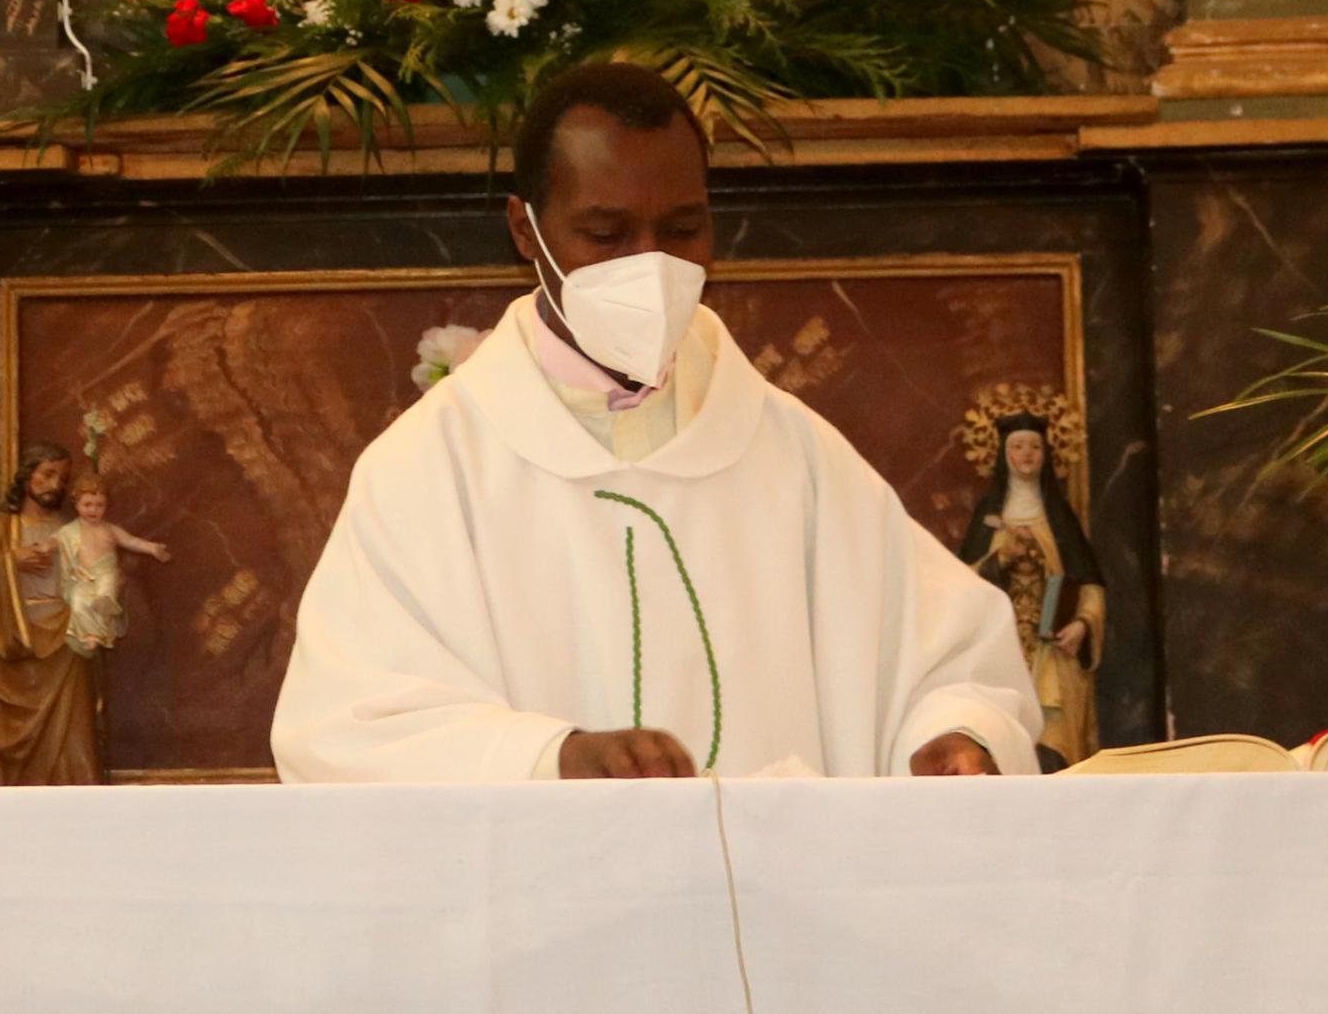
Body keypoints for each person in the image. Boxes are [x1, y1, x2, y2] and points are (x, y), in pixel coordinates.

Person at [272, 60, 1039, 781]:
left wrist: (955, 735)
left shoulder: (790, 451)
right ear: (523, 230)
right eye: (606, 235)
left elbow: (949, 659)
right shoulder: (431, 469)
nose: (650, 264)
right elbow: (342, 724)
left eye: (681, 230)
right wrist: (550, 758)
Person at [0, 444, 107, 783]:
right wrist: (11, 562)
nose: (56, 484)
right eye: (48, 474)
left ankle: (78, 804)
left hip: (67, 646)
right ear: (27, 476)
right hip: (19, 646)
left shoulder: (73, 529)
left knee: (76, 737)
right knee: (21, 754)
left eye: (63, 478)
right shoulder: (4, 529)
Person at [964, 406, 1105, 770]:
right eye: (1018, 447)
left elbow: (1090, 584)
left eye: (1034, 447)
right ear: (1003, 455)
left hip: (1051, 655)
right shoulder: (988, 518)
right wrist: (1000, 558)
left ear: (1046, 454)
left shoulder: (1059, 518)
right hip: (1001, 649)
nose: (1026, 454)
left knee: (1053, 746)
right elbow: (962, 585)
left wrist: (1083, 625)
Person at [58, 479, 172, 655]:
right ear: (77, 505)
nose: (93, 510)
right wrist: (43, 547)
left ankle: (105, 607)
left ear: (106, 507)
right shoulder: (69, 530)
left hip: (105, 571)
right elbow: (55, 542)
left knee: (106, 588)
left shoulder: (109, 529)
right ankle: (91, 634)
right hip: (84, 577)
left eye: (99, 505)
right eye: (87, 505)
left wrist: (151, 548)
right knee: (78, 599)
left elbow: (130, 541)